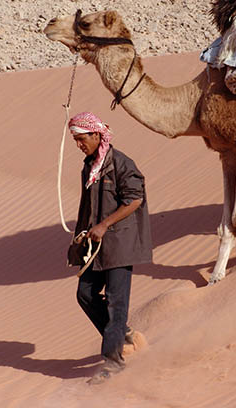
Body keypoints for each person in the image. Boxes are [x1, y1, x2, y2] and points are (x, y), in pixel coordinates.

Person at [67, 111, 153, 384]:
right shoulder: (89, 166)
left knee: (117, 302)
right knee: (85, 294)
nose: (79, 145)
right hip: (95, 246)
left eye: (82, 139)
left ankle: (113, 361)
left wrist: (105, 225)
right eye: (75, 140)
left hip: (119, 243)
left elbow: (134, 199)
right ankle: (123, 334)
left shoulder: (122, 164)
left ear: (96, 135)